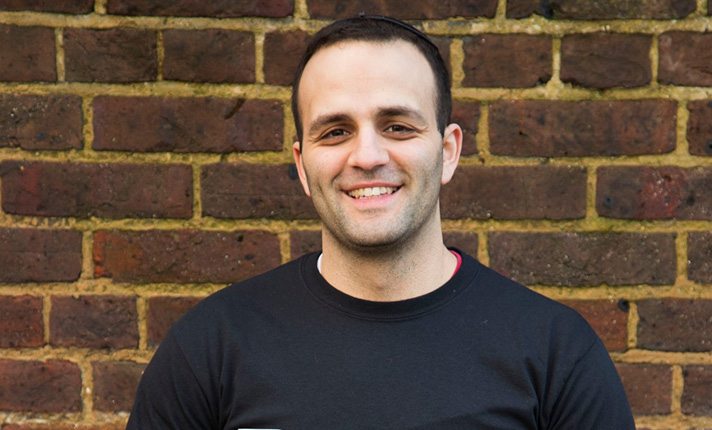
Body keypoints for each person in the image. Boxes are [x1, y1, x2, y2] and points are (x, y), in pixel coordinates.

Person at [127, 15, 635, 429]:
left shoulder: (555, 354)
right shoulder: (211, 351)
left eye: (397, 126)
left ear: (449, 151)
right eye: (335, 131)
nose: (367, 155)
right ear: (304, 167)